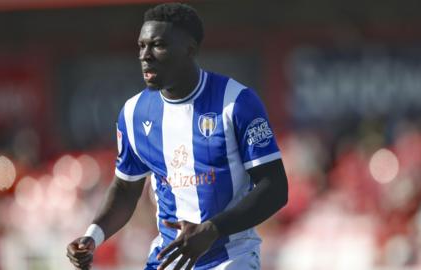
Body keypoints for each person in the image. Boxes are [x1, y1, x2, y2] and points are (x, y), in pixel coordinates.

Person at [66, 3, 288, 270]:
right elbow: (126, 188)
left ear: (190, 49)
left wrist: (213, 229)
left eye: (158, 45)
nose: (145, 56)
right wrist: (93, 236)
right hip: (167, 259)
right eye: (141, 46)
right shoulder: (134, 113)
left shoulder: (237, 102)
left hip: (230, 258)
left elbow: (275, 188)